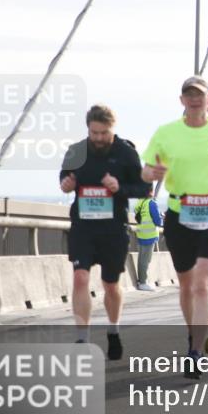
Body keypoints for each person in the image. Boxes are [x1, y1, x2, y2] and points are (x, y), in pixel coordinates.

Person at [141, 76, 208, 378]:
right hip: (179, 214)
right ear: (182, 100)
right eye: (189, 95)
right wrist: (151, 172)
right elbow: (146, 171)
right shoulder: (166, 133)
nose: (195, 99)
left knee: (202, 283)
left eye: (200, 95)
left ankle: (196, 351)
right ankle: (193, 335)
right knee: (186, 285)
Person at [59, 105, 150, 360]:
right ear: (88, 129)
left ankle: (113, 330)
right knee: (80, 278)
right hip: (83, 227)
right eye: (94, 133)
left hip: (113, 229)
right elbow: (63, 181)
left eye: (104, 133)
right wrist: (67, 184)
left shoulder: (126, 153)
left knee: (111, 284)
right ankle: (82, 338)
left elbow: (144, 189)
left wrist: (119, 188)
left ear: (113, 129)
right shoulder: (76, 151)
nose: (98, 138)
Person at [132, 192, 162, 291]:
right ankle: (143, 282)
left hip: (141, 234)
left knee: (142, 259)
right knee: (145, 260)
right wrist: (162, 217)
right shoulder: (151, 203)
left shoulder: (140, 203)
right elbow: (158, 221)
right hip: (150, 235)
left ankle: (142, 281)